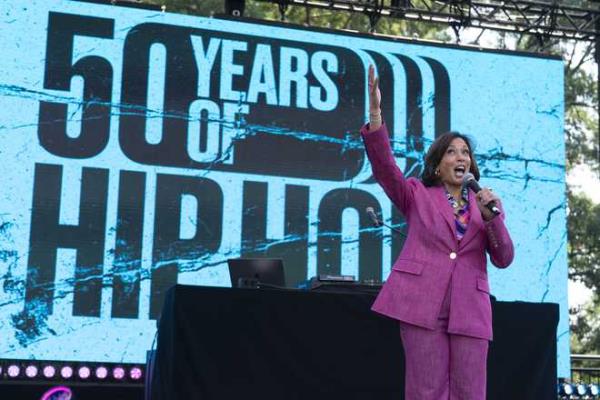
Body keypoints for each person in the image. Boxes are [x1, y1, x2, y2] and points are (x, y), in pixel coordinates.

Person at [362, 65, 514, 400]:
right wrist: (375, 116)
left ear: (471, 166)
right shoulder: (417, 194)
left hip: (470, 308)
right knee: (426, 390)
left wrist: (493, 220)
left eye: (465, 153)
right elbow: (387, 170)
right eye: (451, 151)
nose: (460, 157)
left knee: (469, 392)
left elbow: (503, 258)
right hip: (422, 302)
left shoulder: (483, 205)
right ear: (437, 164)